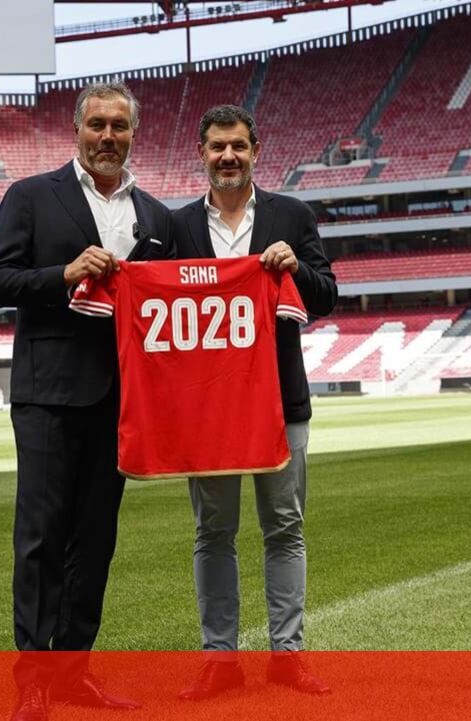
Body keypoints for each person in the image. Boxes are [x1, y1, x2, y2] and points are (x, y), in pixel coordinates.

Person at [0, 81, 174, 720]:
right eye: (97, 125)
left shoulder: (157, 217)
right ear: (77, 130)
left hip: (122, 399)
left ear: (133, 133)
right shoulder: (32, 196)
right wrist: (63, 275)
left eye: (119, 126)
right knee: (41, 538)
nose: (107, 136)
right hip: (49, 394)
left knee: (94, 541)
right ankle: (33, 680)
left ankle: (73, 672)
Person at [171, 104, 338, 700]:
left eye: (238, 145)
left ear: (255, 151)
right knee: (213, 532)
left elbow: (326, 295)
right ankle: (220, 660)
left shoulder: (291, 216)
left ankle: (287, 655)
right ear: (202, 152)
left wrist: (296, 267)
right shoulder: (175, 227)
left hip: (280, 401)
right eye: (218, 146)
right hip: (208, 409)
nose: (228, 156)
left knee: (285, 528)